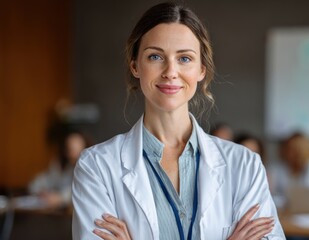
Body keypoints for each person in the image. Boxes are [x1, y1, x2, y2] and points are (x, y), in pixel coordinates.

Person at [72, 2, 285, 240]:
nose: (170, 71)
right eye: (155, 56)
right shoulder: (96, 167)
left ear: (201, 70)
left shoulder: (245, 165)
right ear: (135, 66)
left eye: (184, 58)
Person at [29, 130, 90, 209]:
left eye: (75, 149)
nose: (72, 154)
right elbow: (36, 183)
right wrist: (42, 192)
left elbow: (84, 192)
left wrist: (60, 198)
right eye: (69, 149)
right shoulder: (61, 165)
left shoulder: (90, 169)